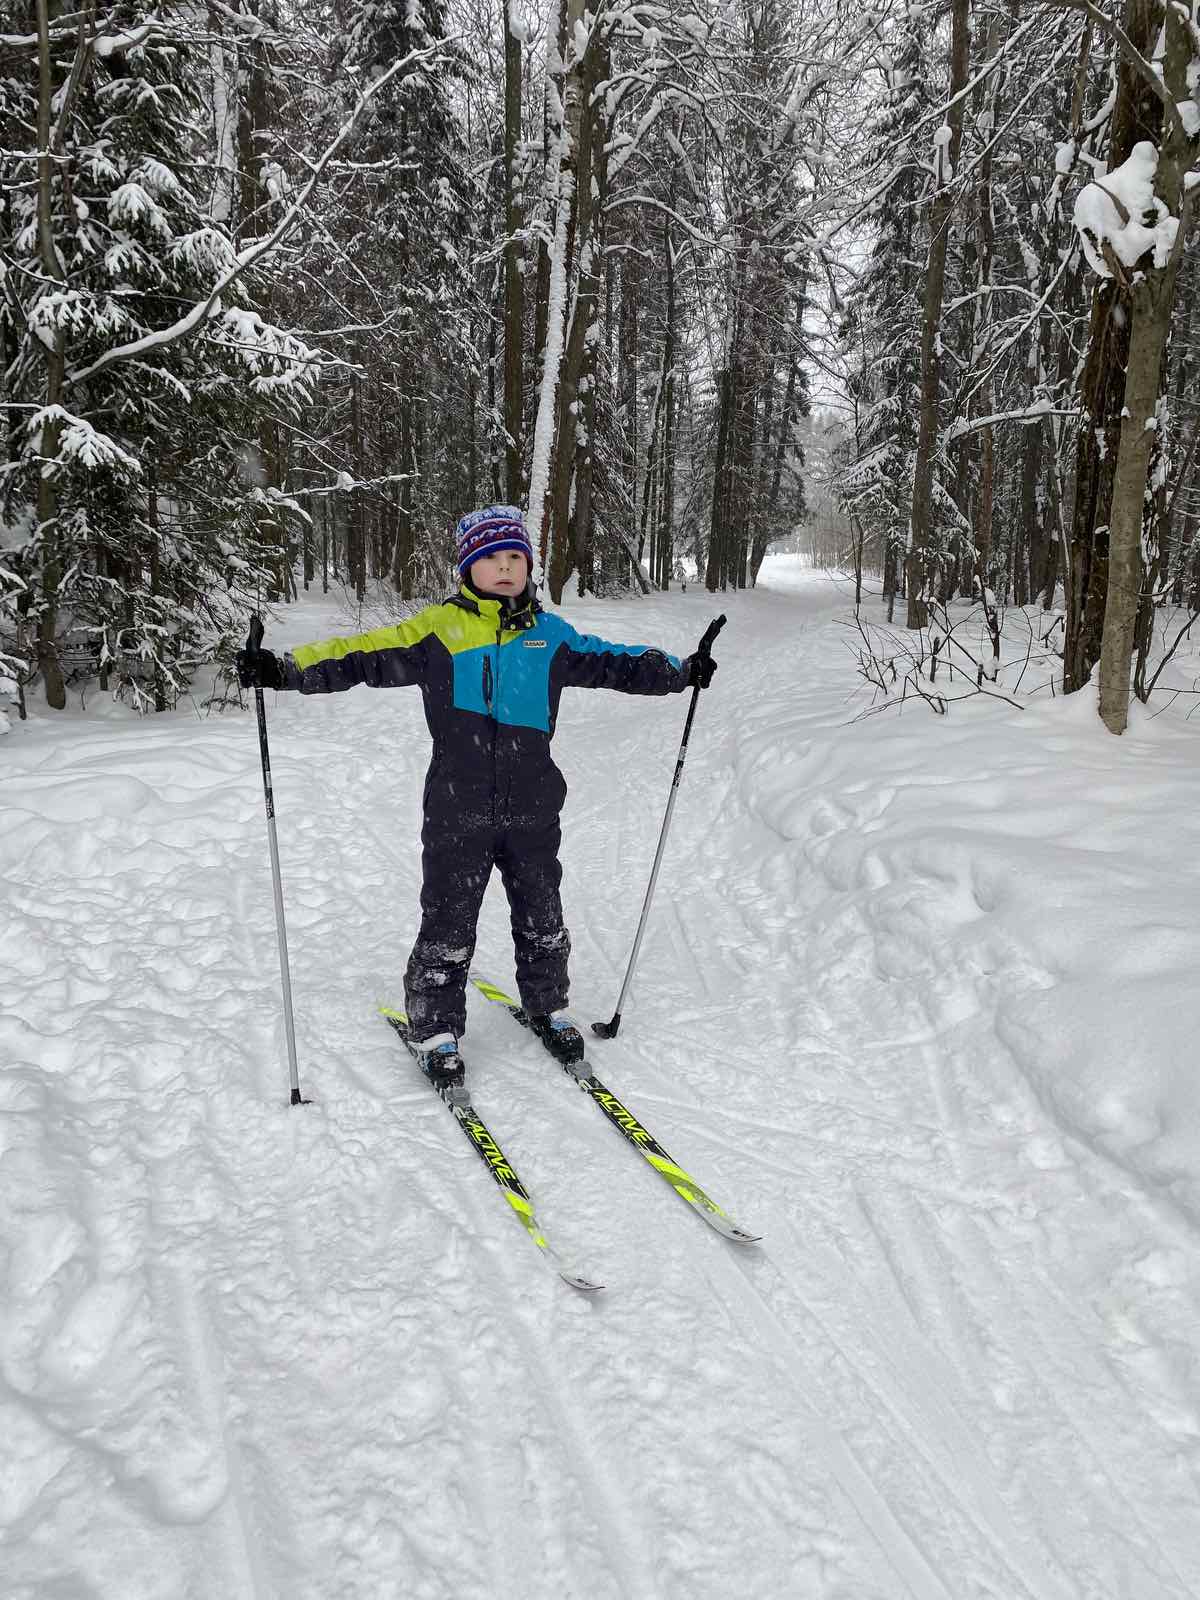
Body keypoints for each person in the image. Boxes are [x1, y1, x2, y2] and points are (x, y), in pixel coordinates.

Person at [236, 505, 717, 1093]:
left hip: (534, 803)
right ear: (468, 567)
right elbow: (359, 654)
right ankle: (436, 1026)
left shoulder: (550, 635)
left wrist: (679, 670)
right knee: (449, 914)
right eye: (492, 557)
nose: (506, 567)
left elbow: (614, 661)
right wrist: (283, 669)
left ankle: (548, 1005)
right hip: (457, 804)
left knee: (542, 911)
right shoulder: (437, 630)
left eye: (516, 556)